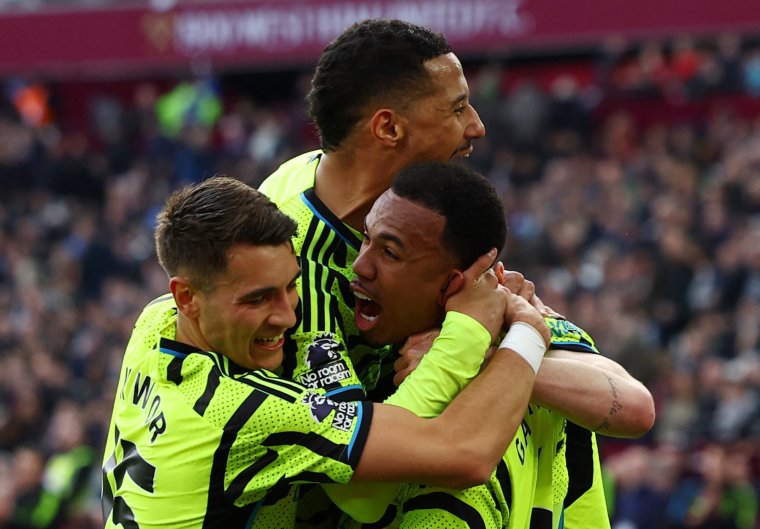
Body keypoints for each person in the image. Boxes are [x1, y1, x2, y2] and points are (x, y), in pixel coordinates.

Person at [259, 18, 654, 528]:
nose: (477, 125)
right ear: (388, 128)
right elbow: (361, 488)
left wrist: (497, 355)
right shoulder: (287, 271)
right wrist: (478, 358)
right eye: (456, 107)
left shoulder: (434, 237)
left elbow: (632, 405)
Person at [99, 175, 553, 528]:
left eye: (291, 285)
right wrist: (514, 332)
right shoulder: (239, 412)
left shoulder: (154, 323)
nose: (286, 316)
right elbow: (463, 453)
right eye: (256, 299)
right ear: (187, 297)